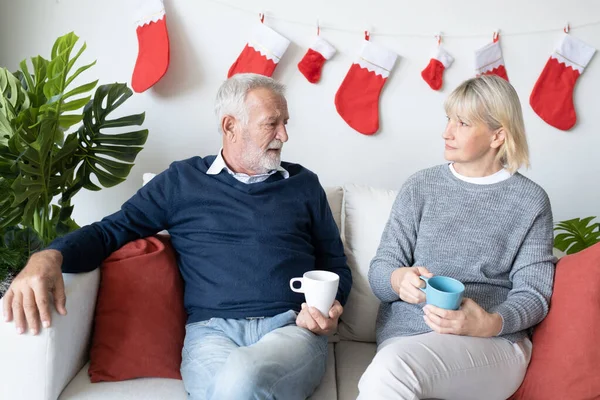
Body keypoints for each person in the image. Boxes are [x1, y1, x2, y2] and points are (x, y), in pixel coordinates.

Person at [3, 73, 352, 400]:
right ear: (230, 126)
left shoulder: (303, 185)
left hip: (290, 330)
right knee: (236, 383)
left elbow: (335, 263)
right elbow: (111, 231)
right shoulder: (182, 182)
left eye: (285, 123)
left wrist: (331, 309)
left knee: (244, 376)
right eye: (271, 124)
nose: (283, 136)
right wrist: (49, 256)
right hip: (210, 335)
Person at [358, 75, 556, 400]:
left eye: (462, 123)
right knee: (392, 368)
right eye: (448, 118)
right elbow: (382, 269)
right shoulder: (420, 186)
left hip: (493, 344)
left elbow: (535, 294)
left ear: (498, 135)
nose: (446, 132)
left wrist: (491, 323)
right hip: (408, 338)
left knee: (392, 370)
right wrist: (398, 279)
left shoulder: (529, 201)